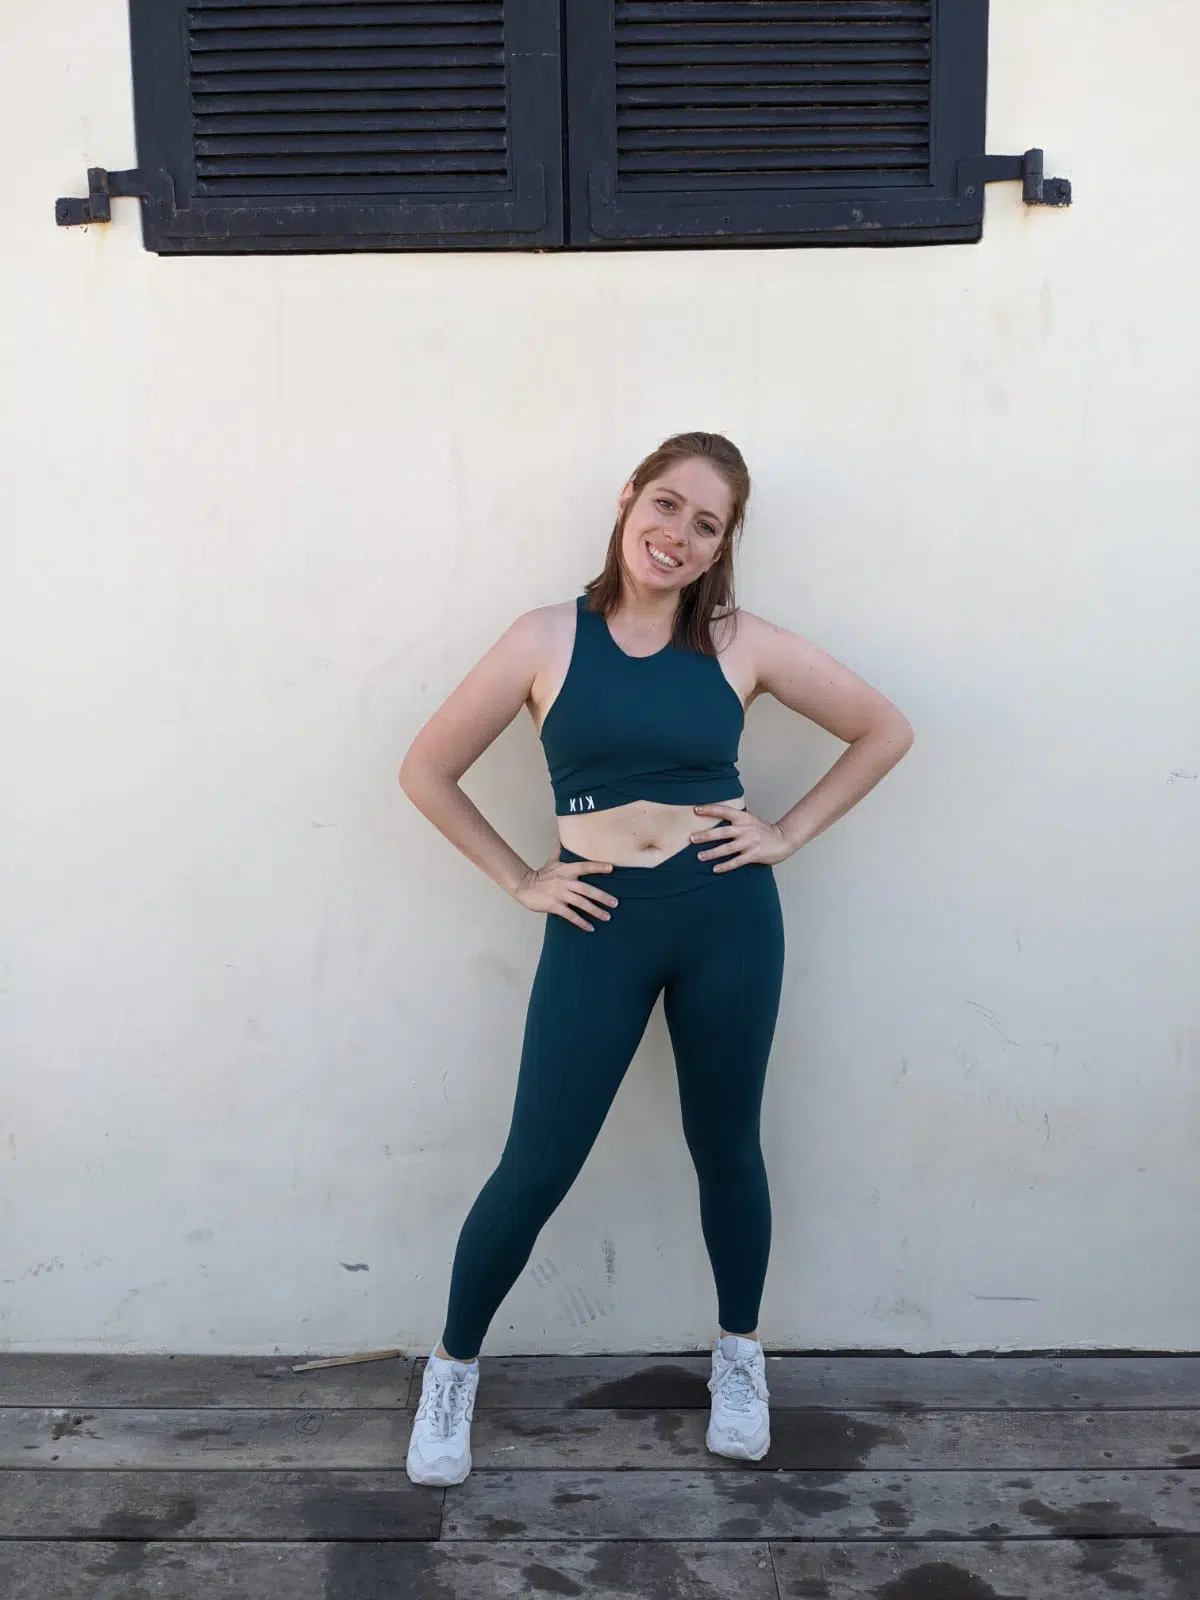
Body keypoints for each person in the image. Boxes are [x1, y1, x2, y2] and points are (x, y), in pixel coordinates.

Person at [398, 431, 914, 1486]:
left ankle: (740, 1357)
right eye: (667, 504)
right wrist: (521, 877)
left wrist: (786, 831)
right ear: (629, 497)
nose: (677, 533)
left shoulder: (738, 643)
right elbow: (426, 769)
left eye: (706, 523)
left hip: (727, 916)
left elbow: (883, 729)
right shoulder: (545, 637)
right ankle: (451, 1370)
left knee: (727, 1146)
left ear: (722, 546)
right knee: (538, 1162)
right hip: (599, 920)